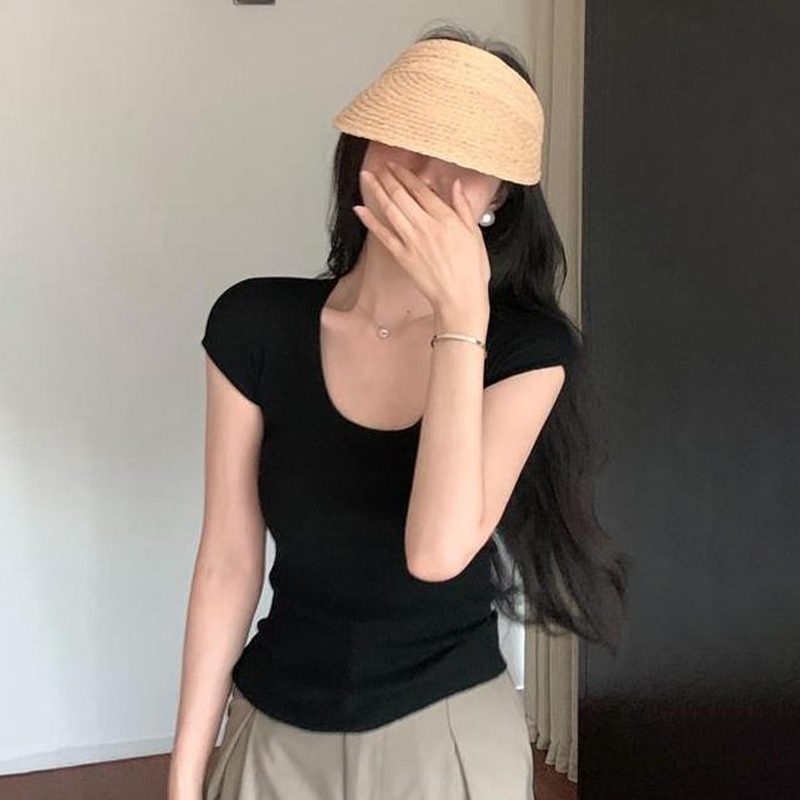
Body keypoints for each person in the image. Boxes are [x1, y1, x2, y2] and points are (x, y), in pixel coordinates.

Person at [169, 23, 628, 800]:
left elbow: (437, 551)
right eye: (409, 137)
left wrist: (462, 318)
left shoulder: (528, 349)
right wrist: (185, 774)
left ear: (499, 198)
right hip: (275, 719)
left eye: (468, 160)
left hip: (445, 728)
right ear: (362, 151)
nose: (428, 174)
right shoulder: (255, 325)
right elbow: (228, 561)